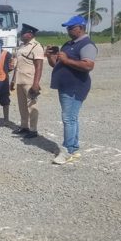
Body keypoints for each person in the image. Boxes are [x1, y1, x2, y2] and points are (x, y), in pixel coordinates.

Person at [48, 15, 97, 165]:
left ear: (80, 28)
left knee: (68, 118)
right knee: (72, 118)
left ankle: (67, 151)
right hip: (65, 86)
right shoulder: (68, 44)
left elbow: (88, 65)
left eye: (71, 28)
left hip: (75, 87)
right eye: (67, 28)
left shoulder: (87, 45)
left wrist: (66, 60)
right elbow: (55, 64)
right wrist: (51, 56)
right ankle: (73, 147)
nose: (68, 30)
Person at [10, 23, 44, 139]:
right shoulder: (22, 46)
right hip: (20, 80)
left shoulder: (36, 46)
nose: (21, 34)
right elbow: (17, 64)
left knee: (32, 106)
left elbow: (39, 66)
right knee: (22, 106)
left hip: (30, 81)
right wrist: (13, 80)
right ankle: (24, 126)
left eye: (23, 33)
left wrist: (36, 84)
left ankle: (33, 130)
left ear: (29, 34)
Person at [0, 39, 14, 125]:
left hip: (3, 80)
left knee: (5, 99)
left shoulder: (7, 54)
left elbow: (11, 66)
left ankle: (6, 119)